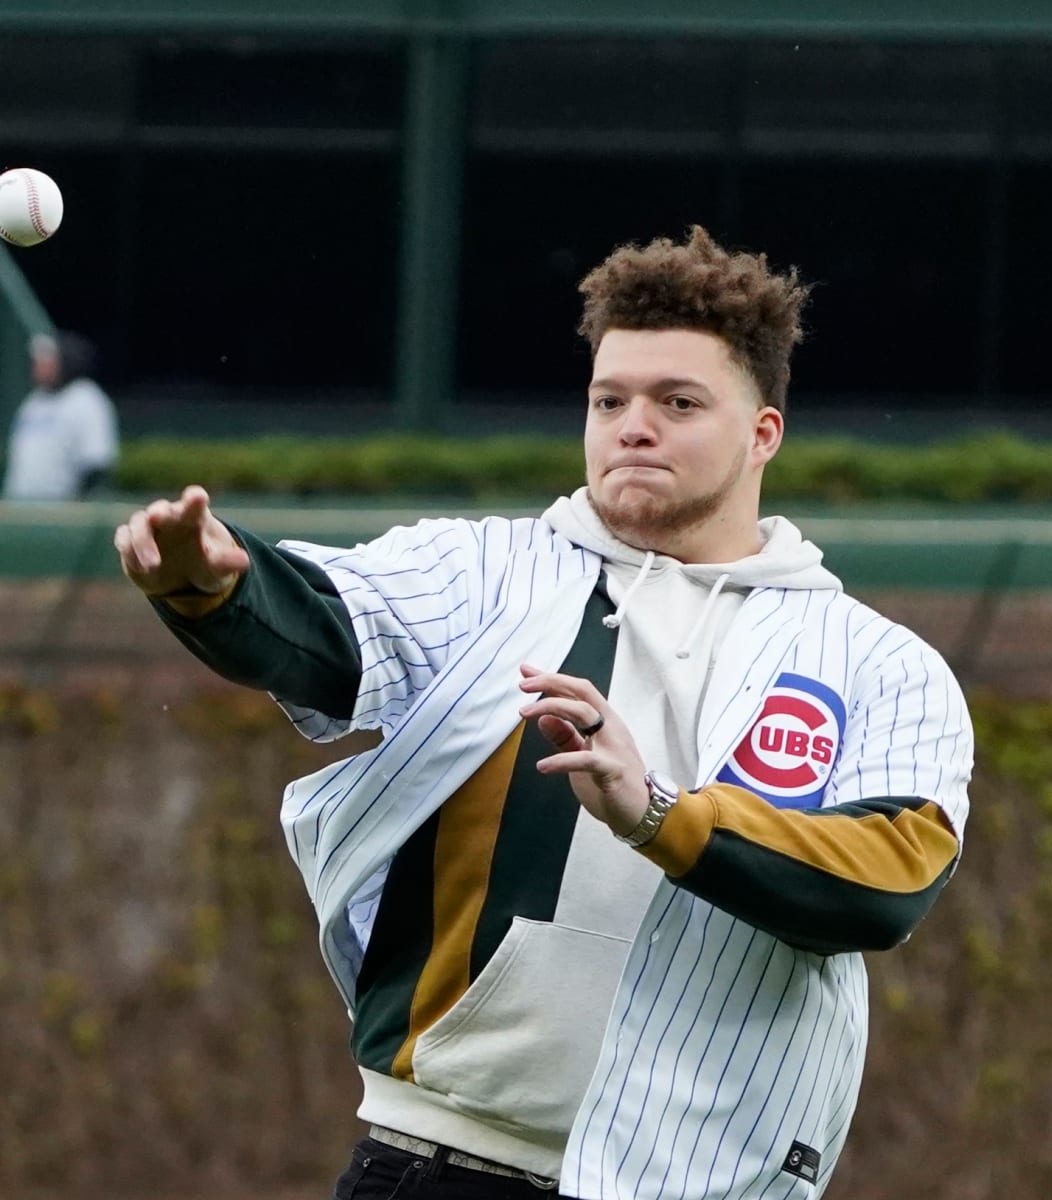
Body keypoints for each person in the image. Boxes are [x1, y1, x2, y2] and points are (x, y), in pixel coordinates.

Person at [114, 226, 972, 1200]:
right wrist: (220, 590)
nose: (633, 426)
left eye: (677, 403)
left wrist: (656, 813)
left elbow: (887, 885)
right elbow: (322, 628)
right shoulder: (484, 571)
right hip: (439, 1163)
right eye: (610, 400)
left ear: (763, 431)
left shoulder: (879, 663)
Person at [2, 331, 119, 500]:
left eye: (47, 360)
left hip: (63, 510)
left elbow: (97, 461)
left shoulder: (86, 398)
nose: (39, 366)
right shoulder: (33, 402)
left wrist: (79, 506)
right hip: (22, 509)